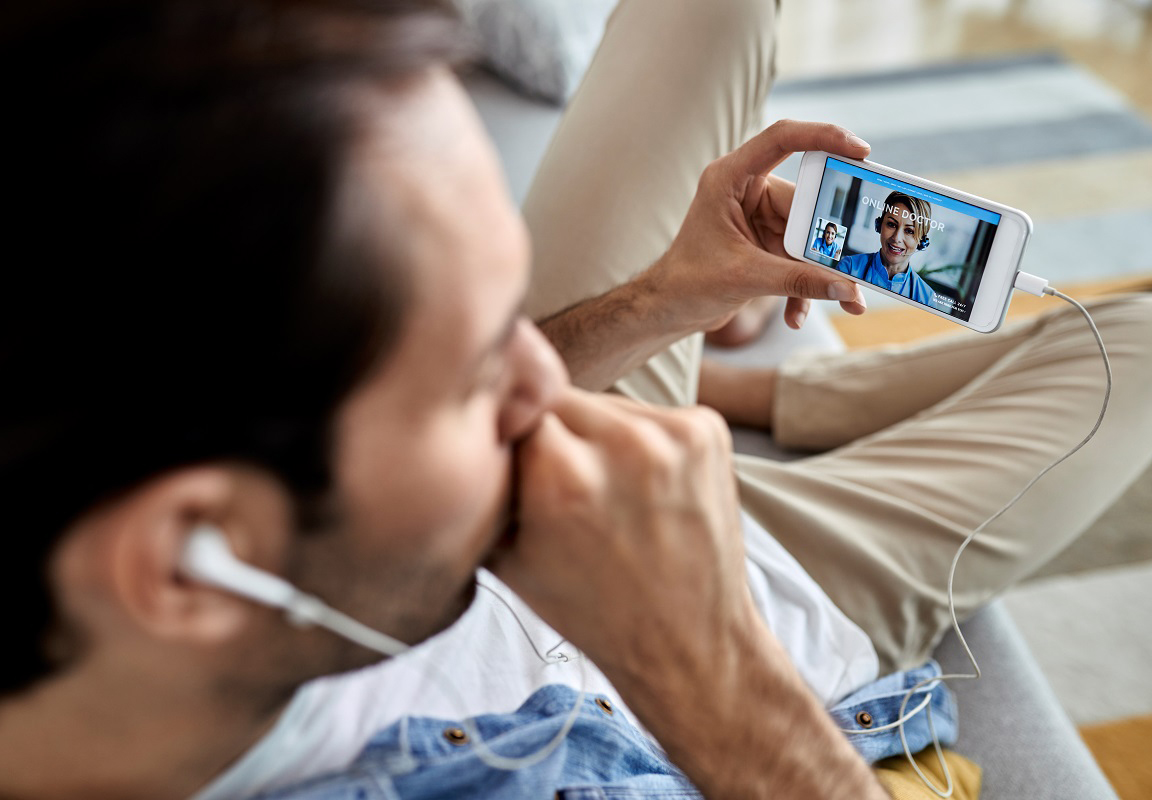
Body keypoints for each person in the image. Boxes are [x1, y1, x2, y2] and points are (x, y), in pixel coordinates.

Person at [3, 2, 1152, 800]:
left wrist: (663, 297)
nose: (547, 384)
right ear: (187, 563)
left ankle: (741, 381)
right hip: (748, 603)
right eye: (470, 382)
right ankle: (769, 399)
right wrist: (719, 677)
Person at [836, 191, 938, 306]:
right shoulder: (849, 267)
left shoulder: (927, 297)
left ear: (921, 241)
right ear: (879, 225)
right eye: (891, 224)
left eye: (909, 231)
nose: (896, 238)